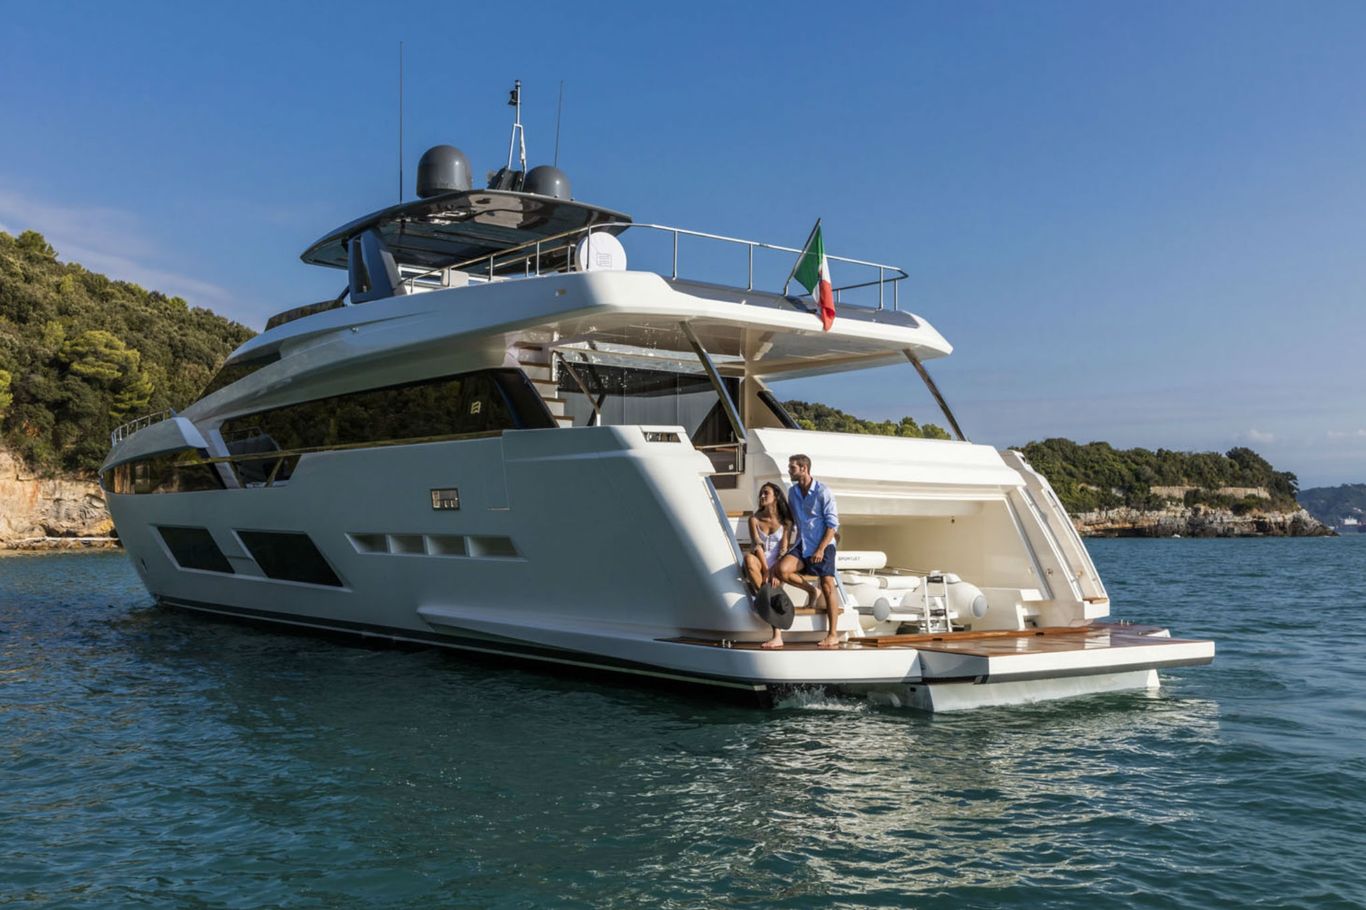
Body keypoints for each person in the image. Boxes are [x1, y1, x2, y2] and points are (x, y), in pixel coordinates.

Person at [776, 454, 841, 649]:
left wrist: (820, 549)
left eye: (792, 467)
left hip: (823, 545)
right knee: (782, 570)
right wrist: (785, 545)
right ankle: (812, 590)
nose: (789, 470)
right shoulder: (793, 492)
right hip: (802, 544)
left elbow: (832, 525)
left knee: (828, 585)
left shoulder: (823, 492)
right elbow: (791, 521)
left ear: (804, 468)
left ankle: (833, 634)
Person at [745, 481, 793, 592]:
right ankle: (763, 595)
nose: (762, 496)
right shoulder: (754, 519)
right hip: (759, 562)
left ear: (776, 496)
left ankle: (764, 596)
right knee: (748, 558)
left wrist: (774, 572)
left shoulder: (786, 522)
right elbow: (757, 546)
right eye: (761, 494)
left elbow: (783, 550)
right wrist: (767, 571)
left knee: (781, 571)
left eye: (766, 493)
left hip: (777, 564)